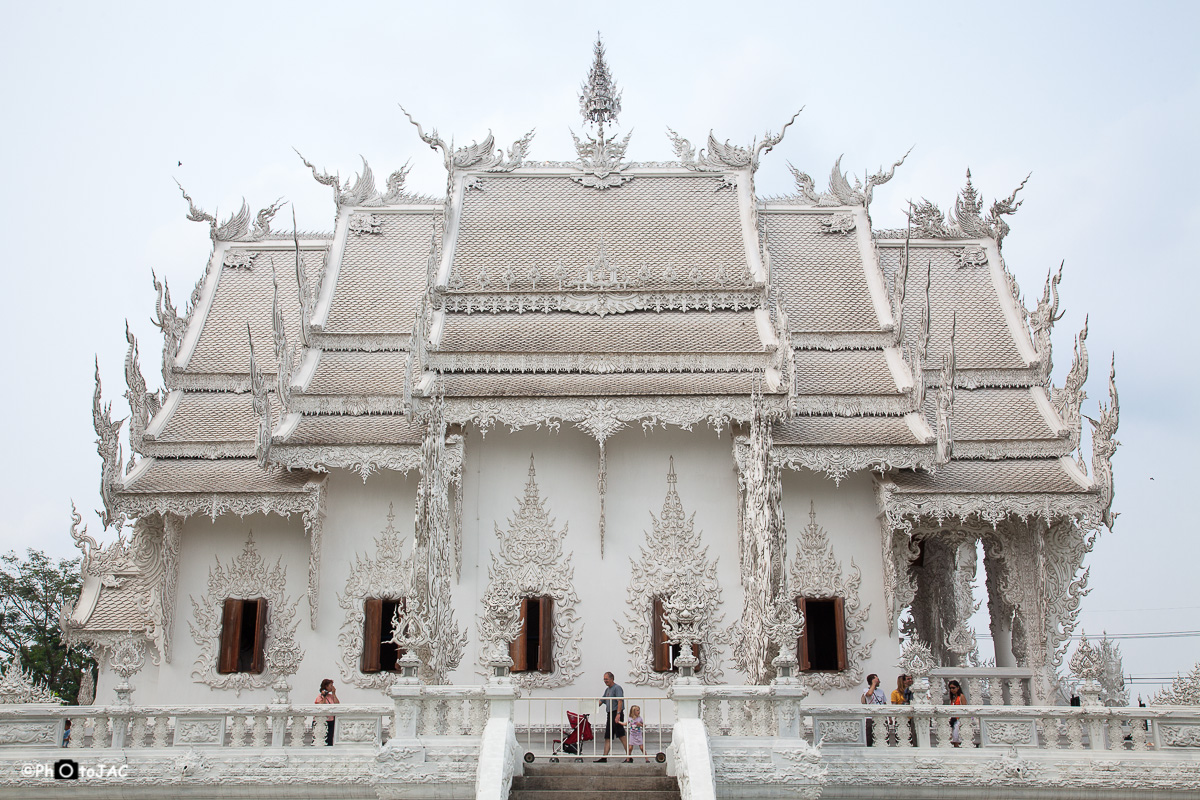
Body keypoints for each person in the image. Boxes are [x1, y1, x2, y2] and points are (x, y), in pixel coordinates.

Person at [596, 671, 627, 762]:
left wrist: (618, 714)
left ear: (612, 679)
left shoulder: (617, 688)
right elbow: (601, 701)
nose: (605, 681)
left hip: (616, 713)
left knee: (621, 735)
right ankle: (604, 757)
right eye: (604, 679)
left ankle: (629, 756)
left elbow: (620, 701)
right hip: (609, 714)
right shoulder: (607, 690)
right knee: (608, 736)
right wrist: (590, 708)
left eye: (607, 679)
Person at [861, 673, 886, 746]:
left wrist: (889, 717)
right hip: (870, 717)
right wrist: (873, 684)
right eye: (877, 680)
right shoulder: (866, 690)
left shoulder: (881, 691)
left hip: (881, 716)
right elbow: (869, 694)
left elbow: (884, 703)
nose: (879, 682)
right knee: (870, 735)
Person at [315, 678, 339, 746]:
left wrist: (334, 694)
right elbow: (321, 706)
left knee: (330, 739)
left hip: (331, 720)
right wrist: (324, 696)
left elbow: (337, 704)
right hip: (323, 720)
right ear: (326, 686)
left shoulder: (331, 696)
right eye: (330, 686)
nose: (332, 687)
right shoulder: (319, 696)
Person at [947, 680, 965, 747]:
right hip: (953, 720)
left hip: (959, 720)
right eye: (950, 688)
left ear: (958, 688)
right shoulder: (953, 698)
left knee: (956, 737)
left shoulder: (961, 696)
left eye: (953, 688)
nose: (952, 690)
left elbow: (965, 708)